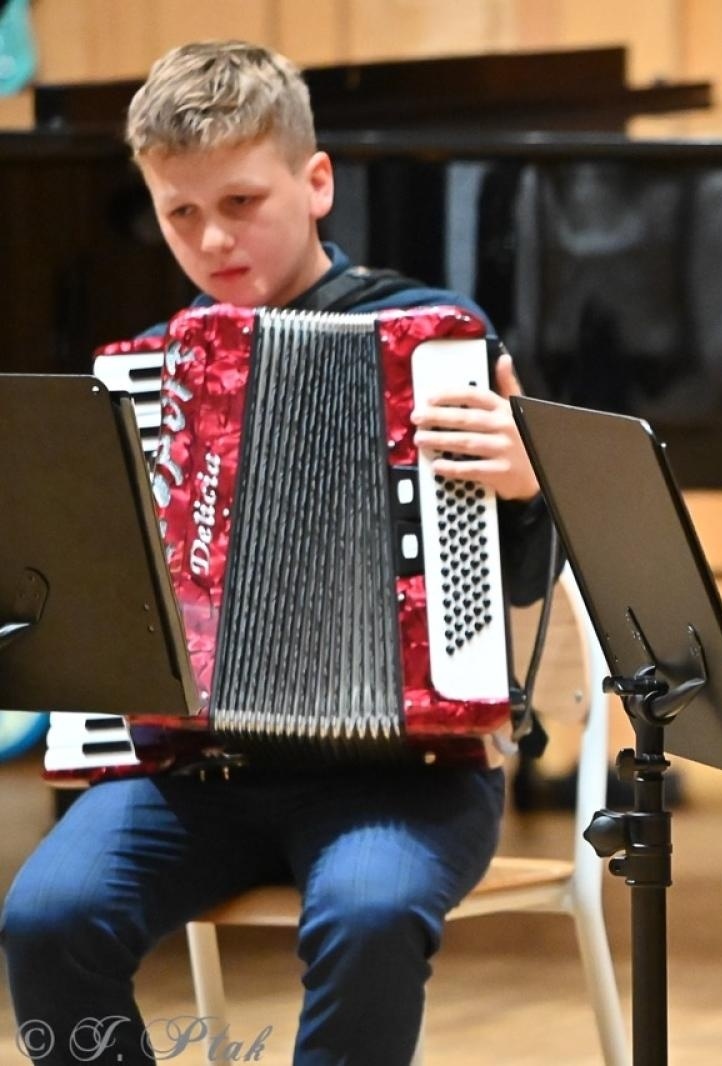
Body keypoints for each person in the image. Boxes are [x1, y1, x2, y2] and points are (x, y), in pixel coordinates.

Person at [1, 40, 552, 1066]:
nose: (212, 239)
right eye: (180, 213)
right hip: (190, 771)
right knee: (48, 915)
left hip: (404, 773)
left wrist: (526, 488)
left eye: (242, 203)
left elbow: (521, 582)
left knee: (371, 913)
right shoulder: (149, 378)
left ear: (317, 183)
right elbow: (93, 602)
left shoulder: (435, 343)